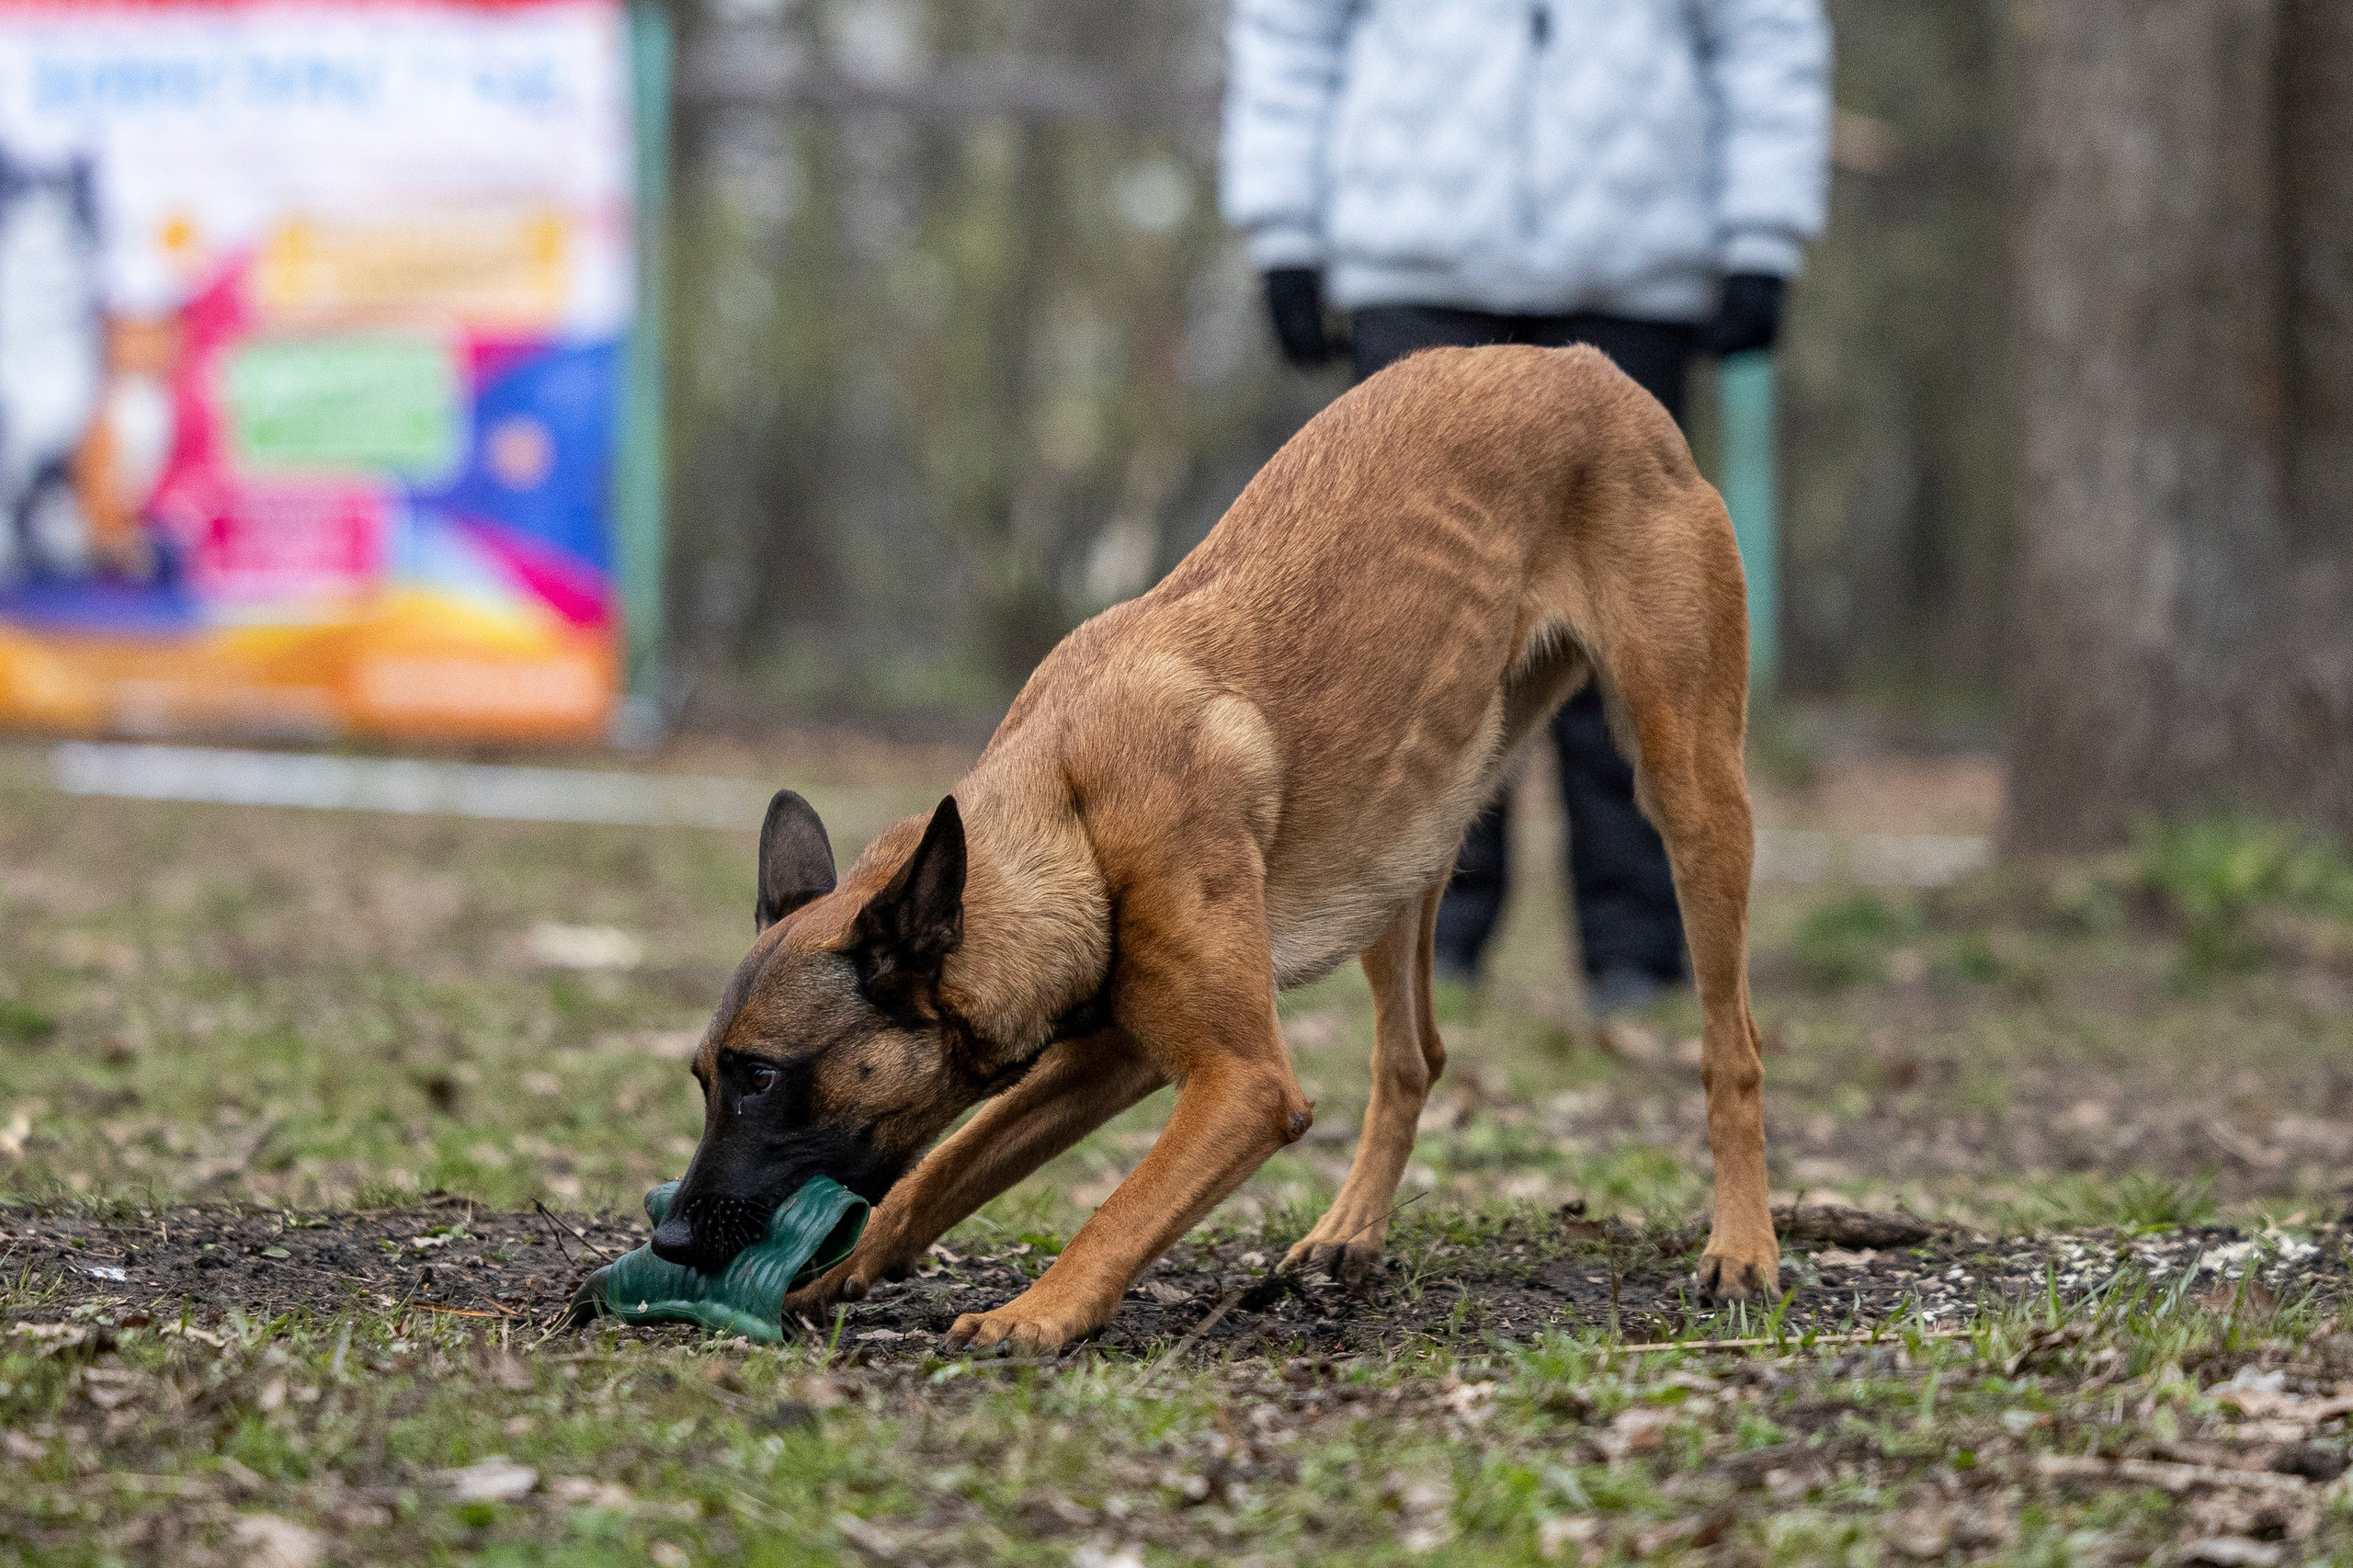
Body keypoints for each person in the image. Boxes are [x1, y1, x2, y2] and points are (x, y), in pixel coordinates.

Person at [1219, 0, 1830, 1011]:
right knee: (1408, 642)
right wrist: (1282, 227)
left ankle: (1637, 953)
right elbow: (1289, 25)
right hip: (1414, 252)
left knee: (1636, 637)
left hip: (1632, 265)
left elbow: (1765, 28)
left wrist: (1762, 235)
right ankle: (1428, 948)